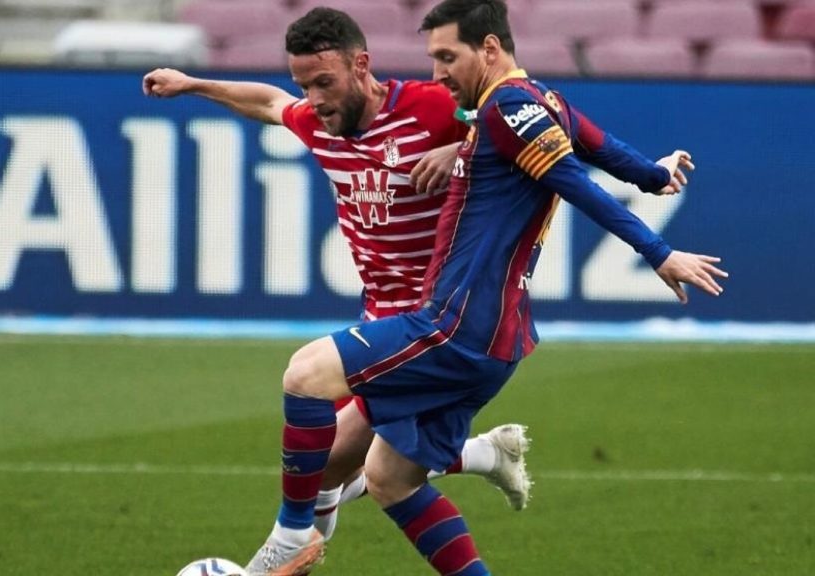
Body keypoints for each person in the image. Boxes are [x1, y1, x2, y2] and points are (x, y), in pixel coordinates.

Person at [241, 0, 727, 574]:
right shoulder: (540, 101)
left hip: (454, 327)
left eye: (448, 57)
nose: (438, 73)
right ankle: (484, 459)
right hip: (495, 340)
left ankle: (291, 538)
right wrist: (654, 174)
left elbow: (575, 181)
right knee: (389, 478)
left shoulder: (507, 109)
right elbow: (597, 144)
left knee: (304, 375)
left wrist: (658, 252)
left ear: (490, 48)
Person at [143, 6, 537, 545]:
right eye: (304, 85)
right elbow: (269, 103)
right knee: (347, 470)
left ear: (361, 65)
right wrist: (193, 84)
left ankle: (284, 553)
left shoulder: (431, 106)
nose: (313, 98)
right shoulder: (317, 120)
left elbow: (524, 121)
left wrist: (459, 148)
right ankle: (484, 455)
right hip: (381, 323)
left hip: (436, 324)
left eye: (323, 82)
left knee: (345, 461)